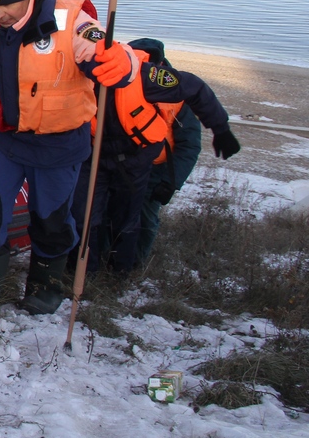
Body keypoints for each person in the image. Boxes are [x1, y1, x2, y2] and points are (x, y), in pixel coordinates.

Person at [0, 0, 138, 315]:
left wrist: (122, 62)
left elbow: (109, 51)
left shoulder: (71, 22)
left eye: (7, 5)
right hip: (3, 143)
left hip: (59, 146)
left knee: (51, 220)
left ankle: (45, 288)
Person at [75, 36, 239, 275]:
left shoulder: (149, 78)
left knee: (131, 221)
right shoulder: (86, 70)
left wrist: (220, 128)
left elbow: (194, 89)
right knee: (86, 217)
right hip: (95, 156)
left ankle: (122, 272)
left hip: (138, 160)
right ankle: (83, 272)